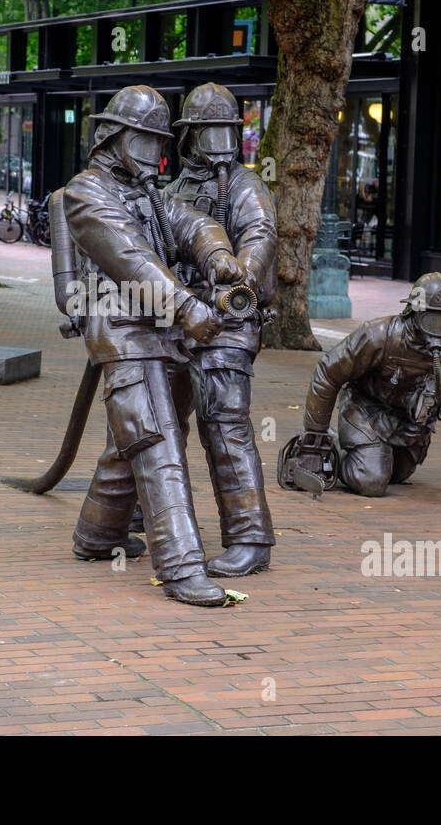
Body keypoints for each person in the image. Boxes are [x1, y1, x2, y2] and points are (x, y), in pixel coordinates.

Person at [61, 85, 250, 607]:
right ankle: (182, 567)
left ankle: (96, 536)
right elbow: (131, 257)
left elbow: (191, 222)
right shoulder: (87, 193)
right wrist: (190, 310)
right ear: (112, 137)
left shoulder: (149, 193)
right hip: (123, 332)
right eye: (142, 143)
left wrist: (216, 255)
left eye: (156, 145)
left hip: (163, 330)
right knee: (159, 441)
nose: (152, 156)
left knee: (134, 438)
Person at [121, 83, 278, 577]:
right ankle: (143, 514)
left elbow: (260, 235)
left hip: (229, 320)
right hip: (178, 320)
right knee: (156, 418)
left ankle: (250, 537)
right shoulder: (167, 192)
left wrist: (241, 279)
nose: (216, 143)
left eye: (222, 132)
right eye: (206, 132)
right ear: (185, 137)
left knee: (224, 422)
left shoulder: (246, 187)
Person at [282, 272, 441, 513]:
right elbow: (328, 373)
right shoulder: (379, 335)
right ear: (414, 312)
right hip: (365, 413)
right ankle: (333, 448)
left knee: (397, 475)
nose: (438, 329)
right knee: (372, 481)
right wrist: (315, 437)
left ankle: (365, 453)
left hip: (409, 428)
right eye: (432, 319)